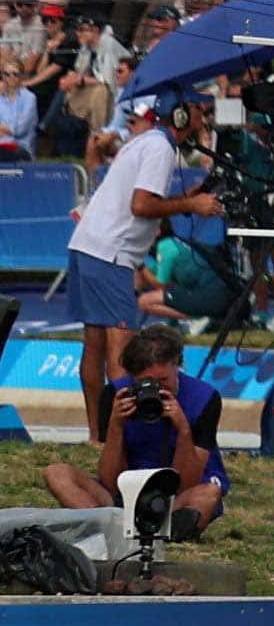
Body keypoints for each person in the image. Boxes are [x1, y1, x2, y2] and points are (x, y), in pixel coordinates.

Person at [63, 97, 219, 450]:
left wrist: (183, 198)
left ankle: (97, 435)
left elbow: (141, 203)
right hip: (110, 253)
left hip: (89, 244)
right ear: (181, 114)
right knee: (122, 351)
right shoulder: (161, 148)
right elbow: (142, 205)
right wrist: (191, 204)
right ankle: (122, 437)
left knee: (95, 344)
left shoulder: (146, 142)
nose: (203, 117)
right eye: (199, 110)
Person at [42, 326, 224, 537]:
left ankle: (159, 532)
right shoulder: (116, 394)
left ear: (177, 365)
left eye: (163, 381)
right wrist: (116, 426)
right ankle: (107, 527)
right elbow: (110, 482)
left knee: (208, 495)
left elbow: (187, 483)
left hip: (173, 498)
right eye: (146, 382)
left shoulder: (205, 398)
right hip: (125, 495)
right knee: (56, 473)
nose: (157, 389)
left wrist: (183, 429)